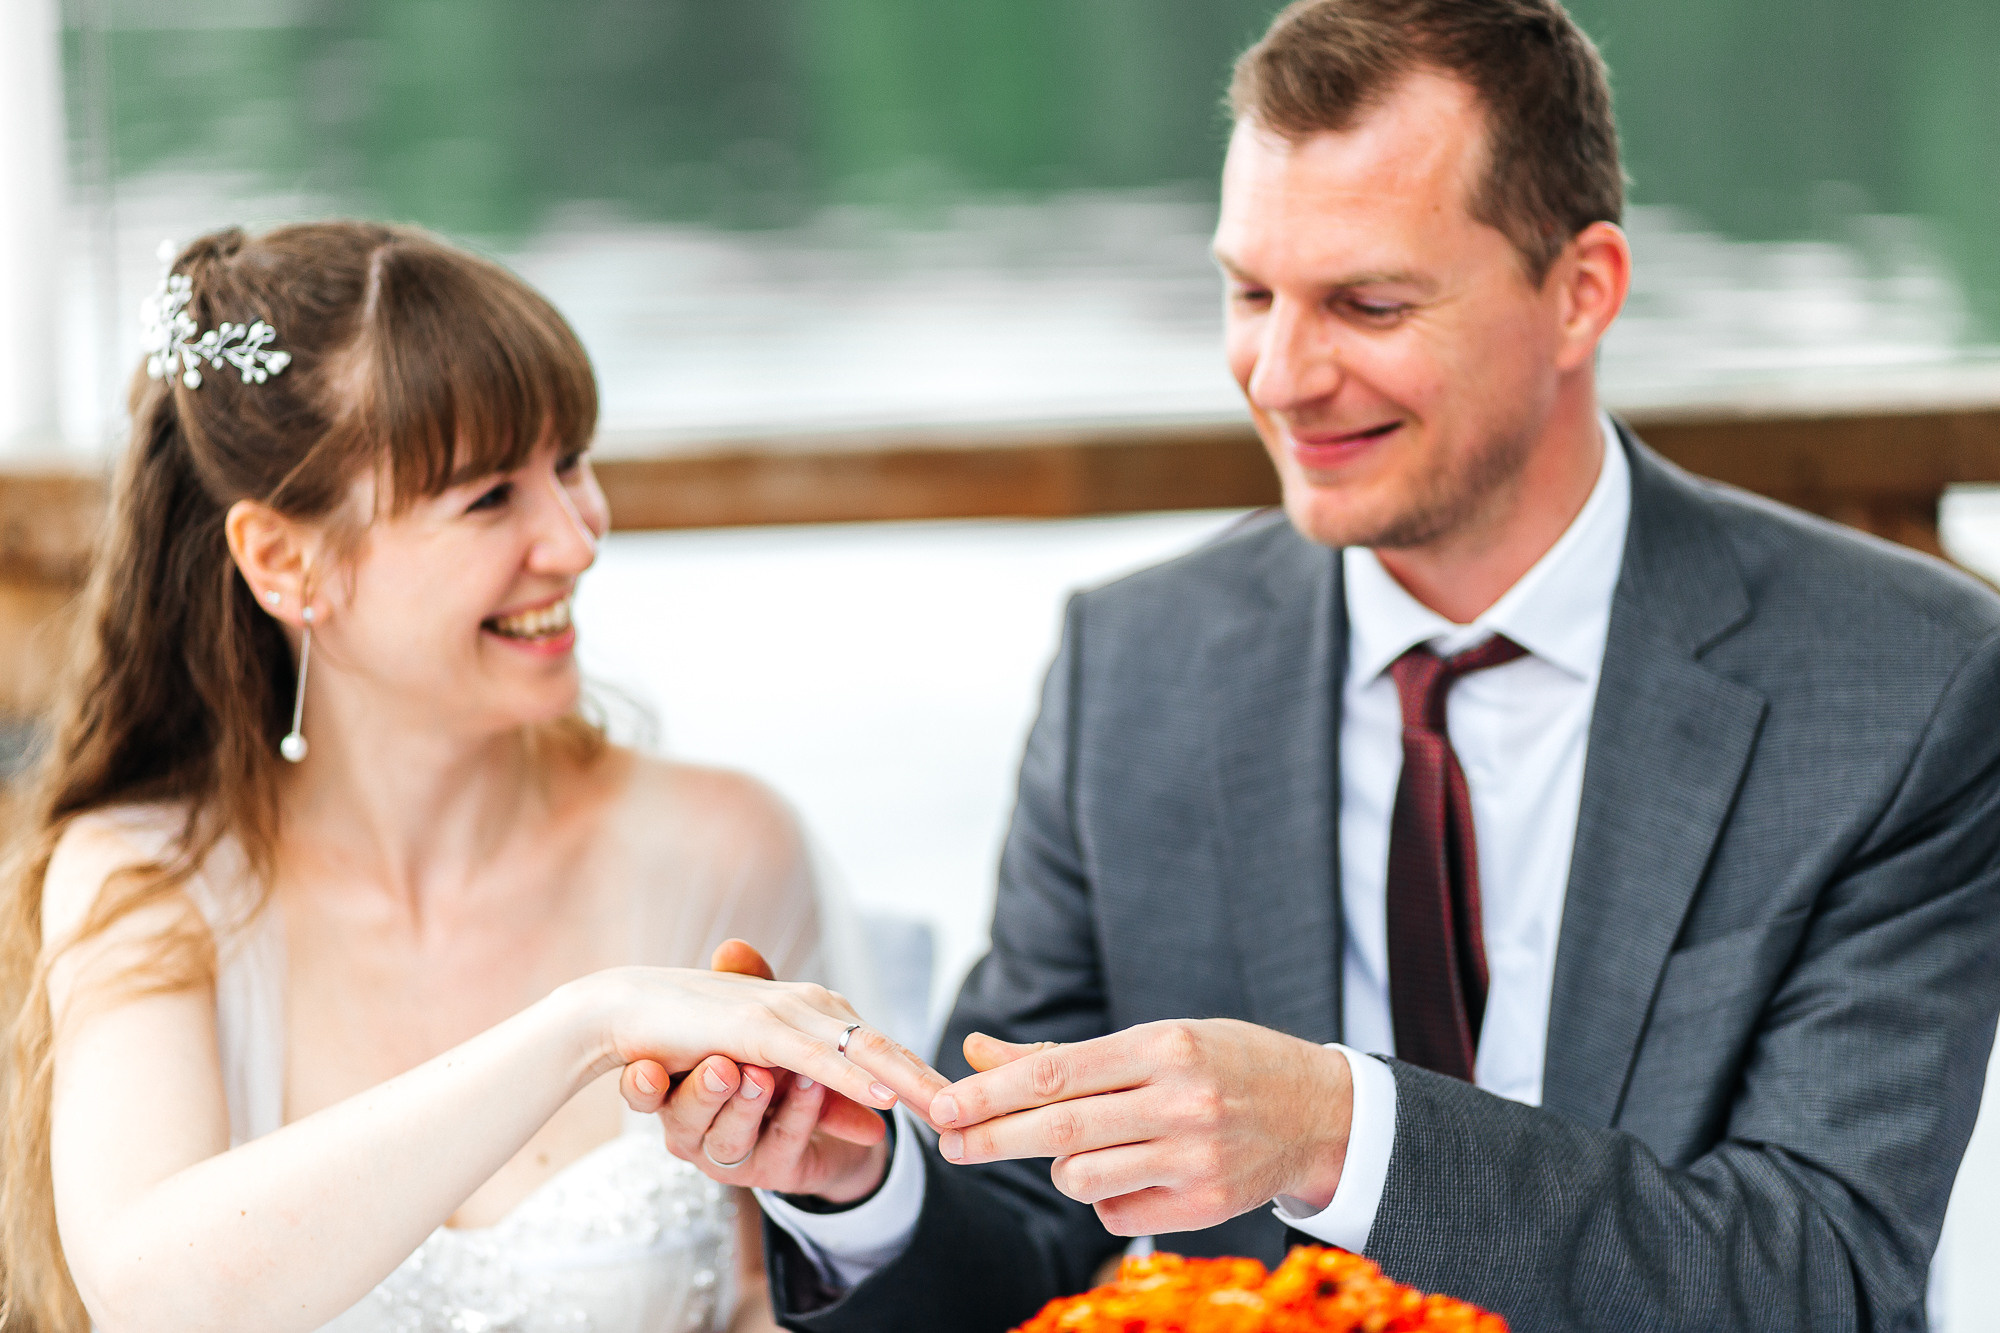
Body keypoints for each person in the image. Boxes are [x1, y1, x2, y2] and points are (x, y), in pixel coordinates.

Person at [642, 2, 2000, 1329]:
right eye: (1249, 293)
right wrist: (862, 1183)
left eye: (1369, 302)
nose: (1282, 375)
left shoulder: (1906, 686)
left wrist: (1337, 1130)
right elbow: (1031, 1232)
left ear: (1581, 292)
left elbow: (1822, 1276)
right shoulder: (1136, 666)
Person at [0, 223, 945, 1333]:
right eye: (491, 497)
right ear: (285, 560)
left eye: (571, 462)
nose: (577, 539)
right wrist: (586, 1026)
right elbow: (153, 1294)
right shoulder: (143, 879)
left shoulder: (726, 844)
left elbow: (761, 1297)